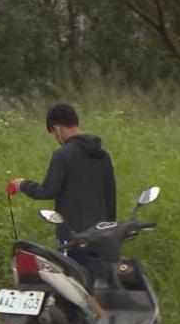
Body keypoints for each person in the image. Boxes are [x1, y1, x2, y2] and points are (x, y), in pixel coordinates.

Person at [9, 103, 116, 269]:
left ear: (56, 129)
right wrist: (110, 230)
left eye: (53, 133)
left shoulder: (63, 155)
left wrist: (23, 184)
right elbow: (111, 196)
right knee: (99, 283)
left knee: (78, 285)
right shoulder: (103, 155)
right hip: (101, 235)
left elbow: (47, 191)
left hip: (74, 237)